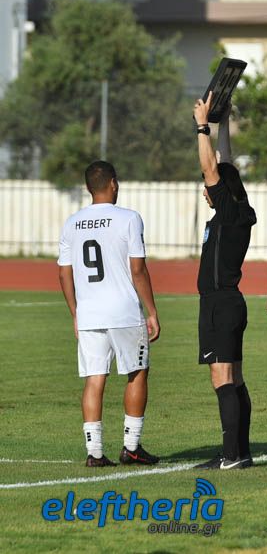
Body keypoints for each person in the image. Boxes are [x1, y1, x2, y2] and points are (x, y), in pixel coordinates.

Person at [58, 160, 161, 467]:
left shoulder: (72, 222)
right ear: (113, 183)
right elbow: (138, 269)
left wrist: (75, 314)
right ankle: (131, 447)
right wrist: (152, 311)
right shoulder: (129, 218)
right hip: (123, 312)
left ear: (88, 187)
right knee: (137, 372)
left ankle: (94, 452)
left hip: (89, 314)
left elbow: (64, 273)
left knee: (94, 379)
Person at [193, 93, 257, 469]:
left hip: (219, 304)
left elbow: (211, 168)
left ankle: (230, 455)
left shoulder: (230, 213)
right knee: (234, 378)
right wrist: (224, 123)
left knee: (222, 379)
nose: (206, 187)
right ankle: (241, 453)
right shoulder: (238, 209)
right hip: (230, 303)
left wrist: (203, 126)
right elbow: (224, 164)